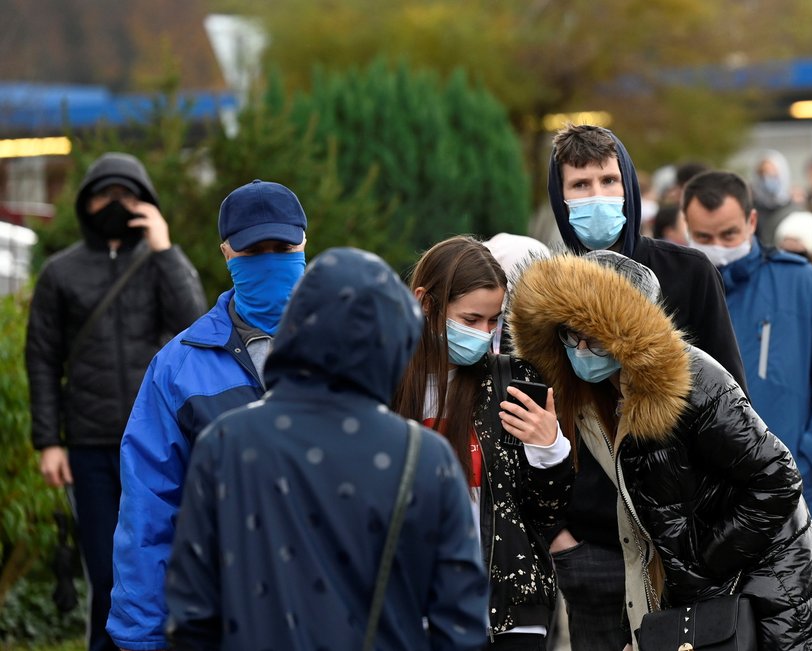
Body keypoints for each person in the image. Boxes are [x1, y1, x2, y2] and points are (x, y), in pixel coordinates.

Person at [507, 249, 812, 651]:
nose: (580, 348)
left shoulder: (693, 383)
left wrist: (706, 563)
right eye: (569, 335)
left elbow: (778, 478)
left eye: (593, 336)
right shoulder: (599, 399)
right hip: (721, 600)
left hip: (776, 598)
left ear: (629, 332)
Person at [165, 247, 489, 650]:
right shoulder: (424, 458)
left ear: (295, 328)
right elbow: (461, 624)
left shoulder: (224, 444)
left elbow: (192, 611)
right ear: (394, 341)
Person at [545, 124, 745, 649]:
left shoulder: (688, 274)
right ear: (558, 197)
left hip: (683, 538)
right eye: (580, 185)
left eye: (609, 181)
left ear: (630, 188)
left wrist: (718, 528)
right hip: (591, 544)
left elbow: (732, 407)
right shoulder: (542, 292)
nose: (597, 197)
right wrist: (559, 534)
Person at [108, 179, 308, 650]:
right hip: (223, 619)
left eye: (283, 246)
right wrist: (143, 636)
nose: (272, 259)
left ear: (305, 242)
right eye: (255, 250)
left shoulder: (352, 350)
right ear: (225, 253)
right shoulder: (178, 369)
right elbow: (149, 509)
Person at [26, 152, 206, 651]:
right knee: (107, 574)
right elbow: (42, 358)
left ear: (145, 202)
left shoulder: (160, 262)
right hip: (88, 445)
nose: (115, 204)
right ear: (87, 202)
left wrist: (165, 249)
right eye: (105, 194)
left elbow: (194, 326)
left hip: (156, 442)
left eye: (127, 194)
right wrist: (48, 442)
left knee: (157, 563)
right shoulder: (61, 272)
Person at [391, 236, 573, 650]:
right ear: (425, 303)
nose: (485, 334)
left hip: (509, 615)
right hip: (413, 611)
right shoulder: (386, 384)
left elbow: (547, 511)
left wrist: (550, 448)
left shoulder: (513, 382)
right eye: (471, 320)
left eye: (494, 322)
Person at [682, 170, 812, 538]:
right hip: (703, 510)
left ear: (752, 221)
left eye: (729, 234)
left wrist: (808, 460)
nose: (717, 245)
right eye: (703, 237)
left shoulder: (802, 282)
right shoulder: (672, 288)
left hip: (794, 501)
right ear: (686, 227)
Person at [750, 149, 798, 247]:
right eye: (763, 174)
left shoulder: (794, 210)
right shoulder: (753, 210)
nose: (768, 178)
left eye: (773, 173)